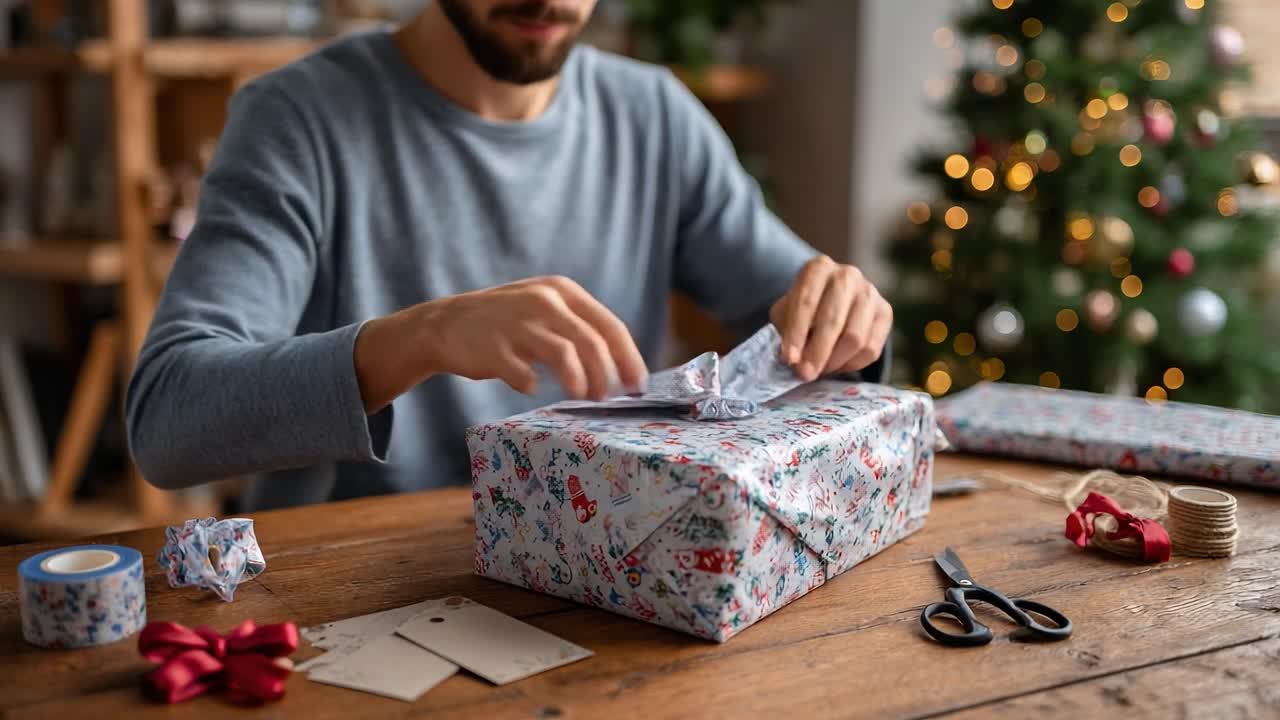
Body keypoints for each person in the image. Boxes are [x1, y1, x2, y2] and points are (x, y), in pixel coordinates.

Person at [125, 0, 894, 511]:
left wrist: (845, 318)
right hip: (366, 604)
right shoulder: (294, 121)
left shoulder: (655, 115)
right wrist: (420, 337)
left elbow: (803, 314)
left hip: (612, 581)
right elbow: (167, 421)